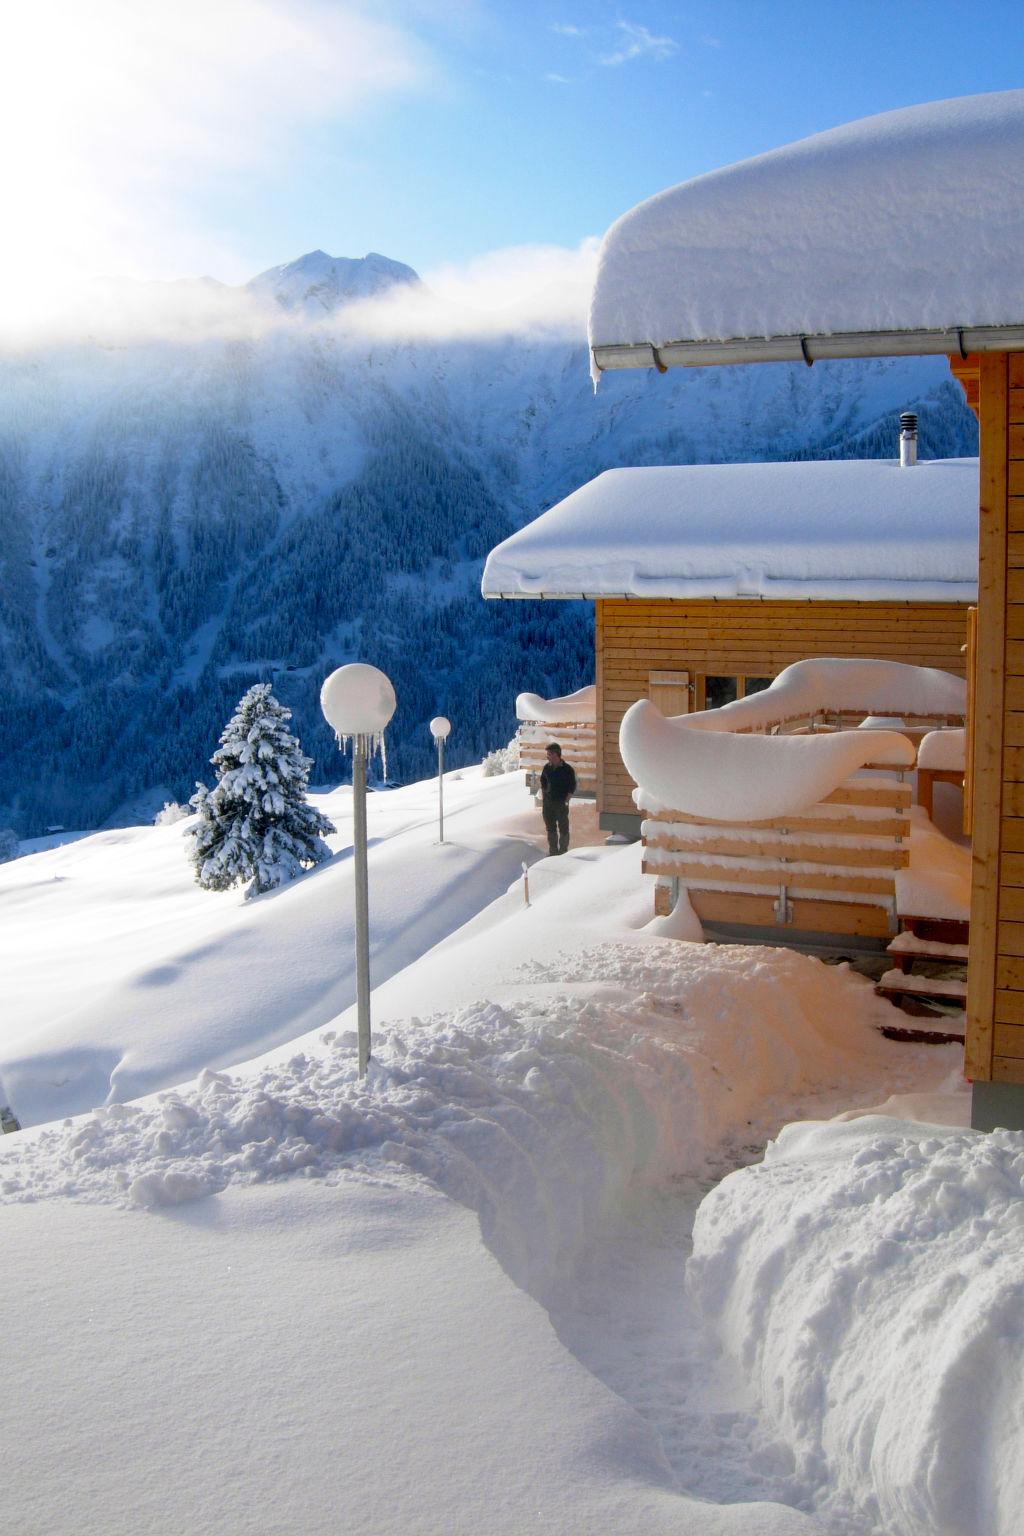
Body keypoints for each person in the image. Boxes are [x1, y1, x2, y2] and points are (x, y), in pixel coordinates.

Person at [539, 742, 576, 855]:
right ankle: (553, 852)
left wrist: (567, 799)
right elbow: (543, 781)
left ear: (556, 754)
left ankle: (563, 852)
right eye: (547, 754)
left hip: (561, 803)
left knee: (563, 828)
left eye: (549, 754)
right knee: (550, 829)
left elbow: (572, 786)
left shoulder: (567, 769)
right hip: (548, 804)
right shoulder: (547, 768)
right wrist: (545, 794)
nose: (547, 756)